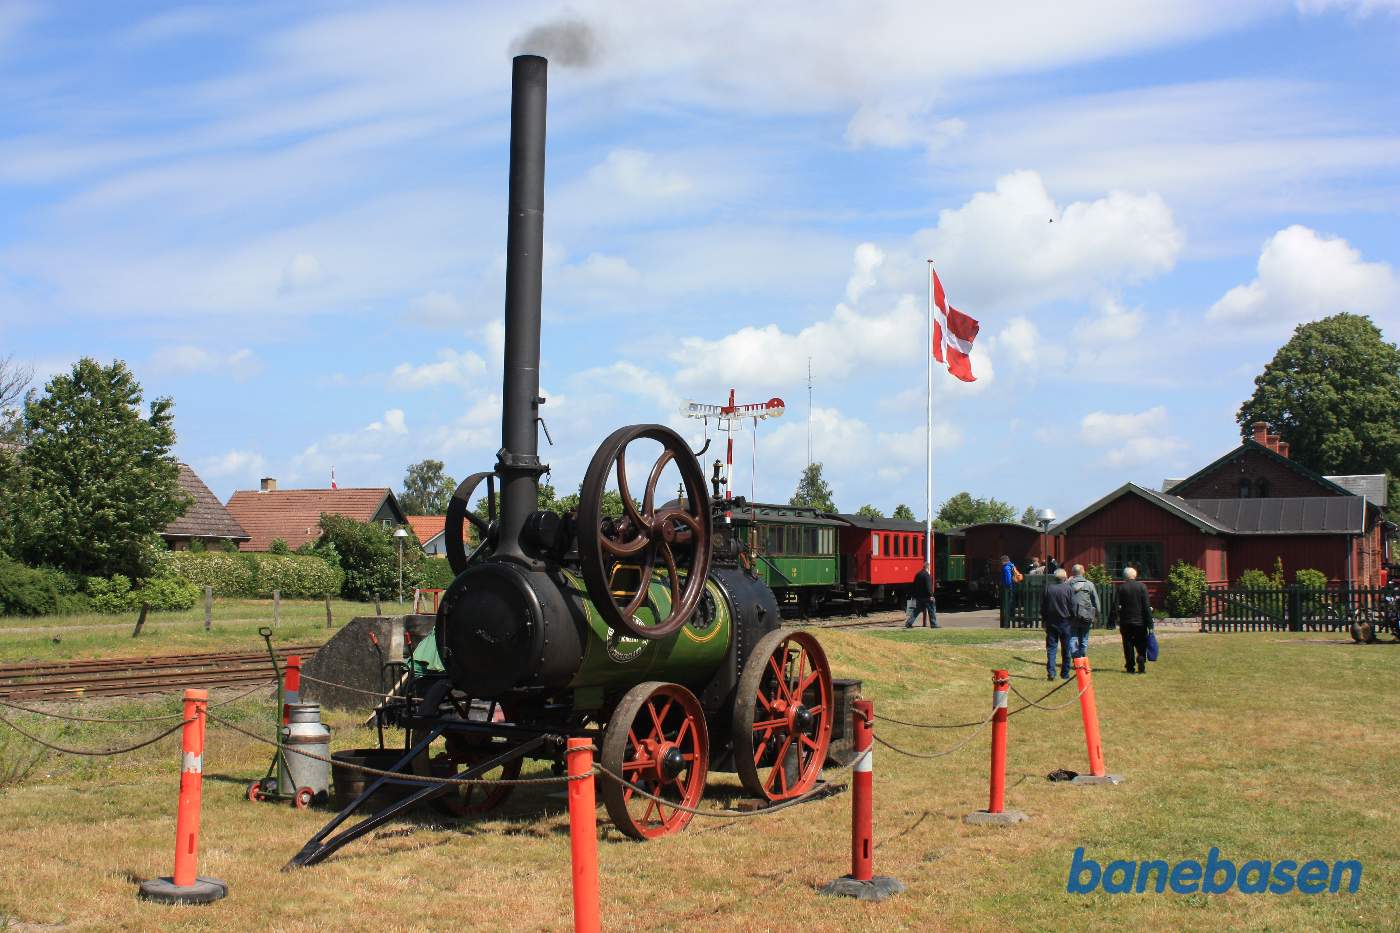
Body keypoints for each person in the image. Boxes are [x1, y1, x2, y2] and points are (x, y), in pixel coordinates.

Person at [1112, 566, 1153, 674]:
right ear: (1135, 575)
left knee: (1128, 644)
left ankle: (1130, 667)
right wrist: (1150, 624)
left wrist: (1114, 619)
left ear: (1124, 576)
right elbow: (1146, 606)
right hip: (1140, 621)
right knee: (1141, 642)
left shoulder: (1121, 588)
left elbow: (1115, 606)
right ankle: (1141, 658)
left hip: (1126, 621)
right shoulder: (1142, 587)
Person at [1041, 568, 1075, 680]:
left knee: (1051, 648)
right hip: (1065, 622)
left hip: (1051, 622)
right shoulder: (1068, 589)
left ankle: (1051, 672)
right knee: (1066, 649)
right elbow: (1072, 606)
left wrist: (1044, 620)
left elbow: (1043, 607)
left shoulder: (1048, 588)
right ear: (1065, 577)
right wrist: (1073, 619)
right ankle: (1065, 673)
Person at [1067, 563, 1099, 659]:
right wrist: (1097, 614)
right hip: (1086, 614)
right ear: (1083, 572)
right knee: (1084, 638)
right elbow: (1096, 601)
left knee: (1072, 638)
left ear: (1073, 572)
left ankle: (1076, 658)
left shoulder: (1068, 584)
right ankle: (1082, 657)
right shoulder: (1089, 584)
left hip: (1072, 615)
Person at [904, 564, 939, 629]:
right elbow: (928, 587)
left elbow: (914, 585)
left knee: (916, 611)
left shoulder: (918, 574)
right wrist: (931, 595)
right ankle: (934, 624)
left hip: (919, 597)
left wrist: (914, 595)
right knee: (932, 610)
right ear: (928, 568)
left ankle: (908, 623)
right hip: (926, 597)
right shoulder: (927, 575)